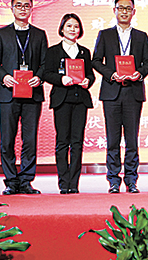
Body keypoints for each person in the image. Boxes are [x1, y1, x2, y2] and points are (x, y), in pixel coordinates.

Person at [92, 0, 148, 194]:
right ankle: (113, 180)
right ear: (114, 11)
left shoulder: (141, 36)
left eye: (128, 8)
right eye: (121, 8)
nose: (124, 12)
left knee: (132, 140)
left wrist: (139, 73)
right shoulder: (105, 34)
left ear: (133, 12)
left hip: (133, 92)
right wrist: (111, 74)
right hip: (112, 92)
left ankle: (131, 180)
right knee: (112, 140)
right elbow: (96, 61)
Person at [0, 0, 48, 195]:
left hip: (32, 94)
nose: (23, 9)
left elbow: (45, 63)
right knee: (7, 139)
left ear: (32, 8)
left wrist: (39, 77)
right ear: (12, 8)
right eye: (19, 5)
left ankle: (26, 180)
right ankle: (11, 181)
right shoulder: (1, 34)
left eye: (26, 6)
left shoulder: (39, 34)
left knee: (29, 139)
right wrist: (4, 77)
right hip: (8, 93)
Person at [43, 14, 95, 194]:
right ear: (62, 28)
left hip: (80, 100)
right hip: (62, 100)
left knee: (77, 142)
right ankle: (63, 182)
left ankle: (74, 183)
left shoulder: (84, 52)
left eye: (76, 26)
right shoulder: (53, 51)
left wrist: (88, 81)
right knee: (62, 141)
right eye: (69, 26)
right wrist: (61, 79)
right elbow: (46, 73)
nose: (73, 29)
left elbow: (90, 74)